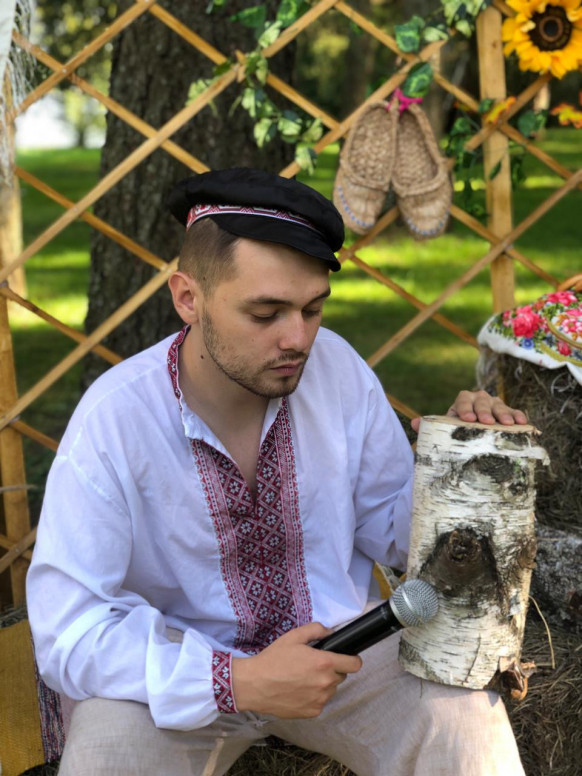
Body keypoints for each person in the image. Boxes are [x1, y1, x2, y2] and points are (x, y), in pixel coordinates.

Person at [27, 168, 528, 776]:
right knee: (106, 758)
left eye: (312, 309)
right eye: (266, 313)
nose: (298, 339)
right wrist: (236, 681)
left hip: (346, 655)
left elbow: (397, 534)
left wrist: (461, 463)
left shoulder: (337, 369)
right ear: (188, 298)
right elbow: (69, 631)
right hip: (176, 675)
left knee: (465, 723)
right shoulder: (114, 420)